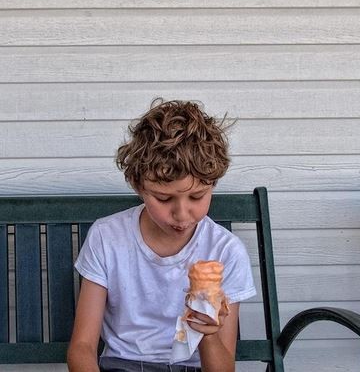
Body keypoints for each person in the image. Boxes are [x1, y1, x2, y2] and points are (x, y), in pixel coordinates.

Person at [67, 98, 256, 372]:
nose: (182, 214)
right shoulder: (107, 238)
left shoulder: (225, 251)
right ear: (137, 185)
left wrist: (208, 332)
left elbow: (223, 367)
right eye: (164, 199)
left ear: (213, 183)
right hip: (121, 365)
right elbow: (81, 348)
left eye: (197, 196)